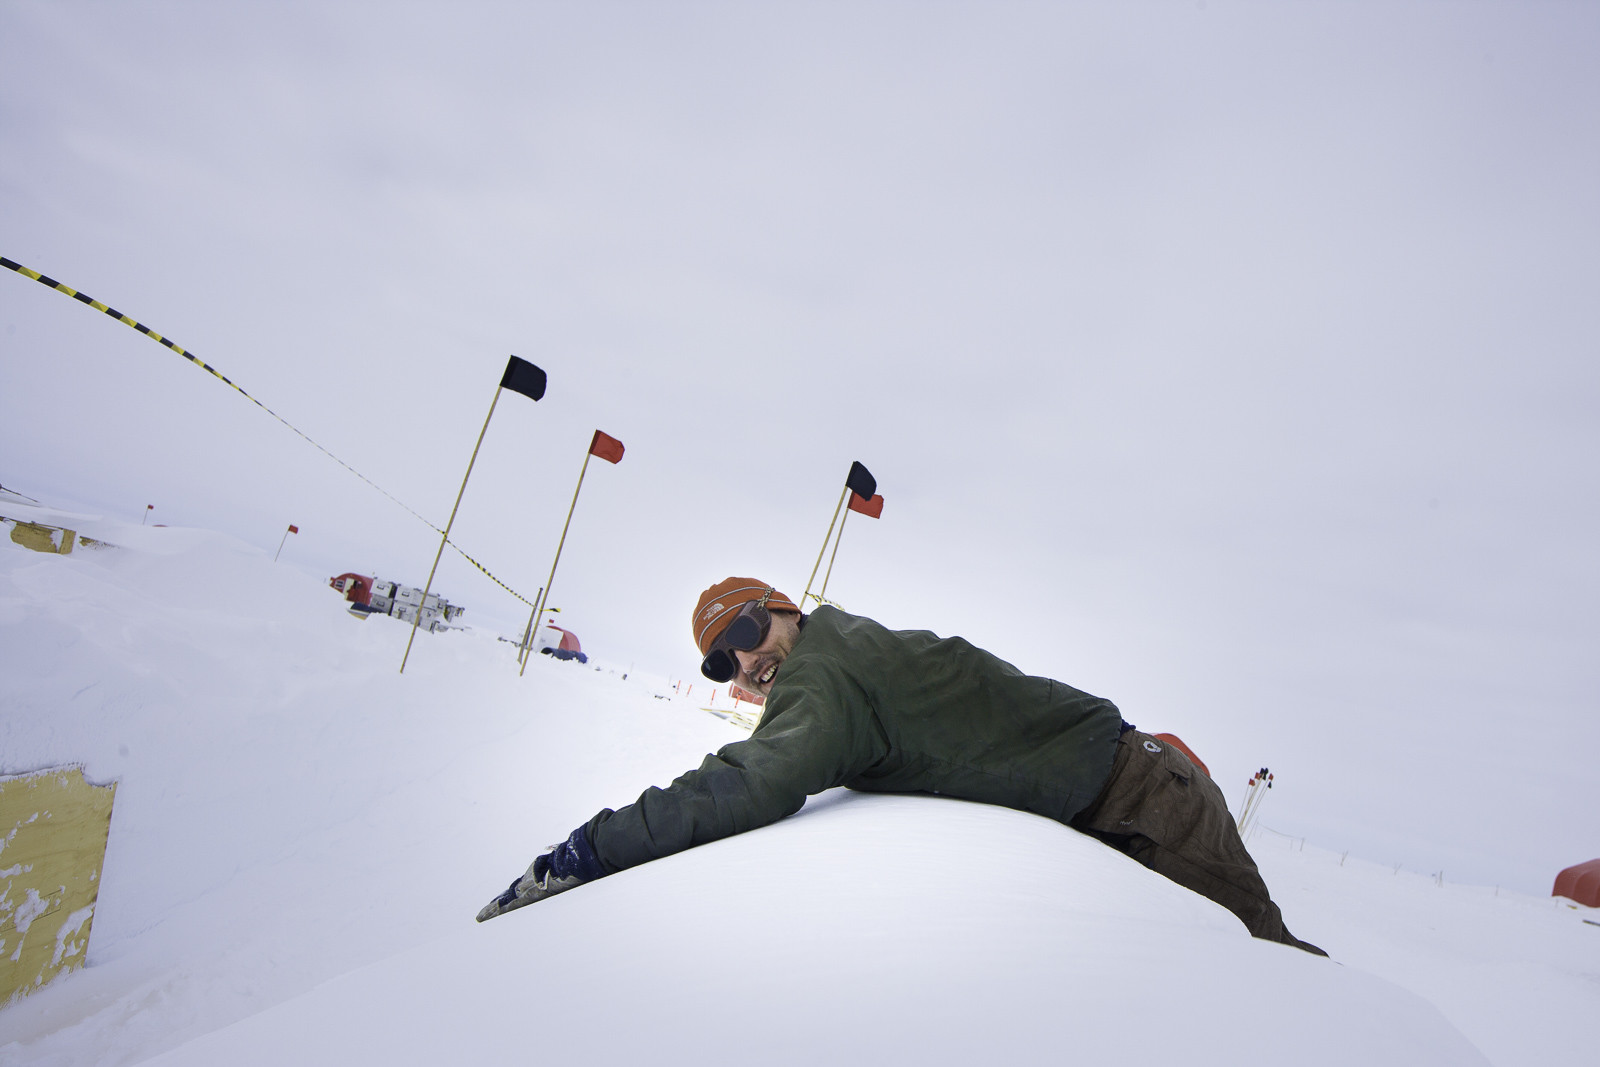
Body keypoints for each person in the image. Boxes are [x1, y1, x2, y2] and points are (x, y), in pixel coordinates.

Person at [477, 578, 1326, 956]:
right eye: (720, 664)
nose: (741, 666)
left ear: (785, 612)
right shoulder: (837, 658)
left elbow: (751, 782)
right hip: (1123, 792)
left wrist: (589, 849)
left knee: (1274, 965)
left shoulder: (824, 673)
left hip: (1146, 796)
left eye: (743, 634)